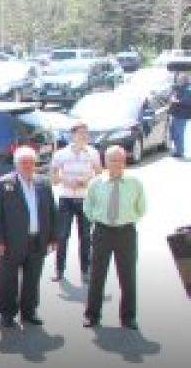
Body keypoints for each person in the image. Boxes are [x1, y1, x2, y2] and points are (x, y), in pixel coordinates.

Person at [0, 146, 58, 327]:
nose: (27, 166)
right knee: (7, 279)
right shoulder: (3, 184)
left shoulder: (43, 183)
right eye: (23, 162)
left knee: (32, 279)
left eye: (31, 162)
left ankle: (29, 312)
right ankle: (7, 313)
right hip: (11, 242)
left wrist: (53, 238)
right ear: (16, 164)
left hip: (37, 240)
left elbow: (52, 211)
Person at [83, 145, 147, 329]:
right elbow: (88, 207)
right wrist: (98, 221)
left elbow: (141, 208)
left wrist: (127, 220)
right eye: (112, 160)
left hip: (126, 232)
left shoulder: (135, 183)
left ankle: (128, 317)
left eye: (120, 160)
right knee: (97, 275)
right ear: (105, 162)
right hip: (102, 232)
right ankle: (92, 315)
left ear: (124, 162)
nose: (117, 164)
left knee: (128, 277)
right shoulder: (96, 183)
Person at [50, 120, 102, 284]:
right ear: (72, 135)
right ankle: (59, 270)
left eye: (86, 133)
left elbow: (100, 175)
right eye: (81, 133)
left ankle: (86, 271)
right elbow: (52, 178)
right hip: (66, 198)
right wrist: (66, 181)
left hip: (85, 198)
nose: (84, 136)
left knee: (86, 236)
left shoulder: (93, 152)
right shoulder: (61, 154)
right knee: (62, 235)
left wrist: (88, 182)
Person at [170, 70, 191, 158]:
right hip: (176, 113)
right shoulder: (180, 87)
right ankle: (177, 149)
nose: (179, 80)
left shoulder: (189, 88)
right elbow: (174, 91)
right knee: (173, 132)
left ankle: (179, 151)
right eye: (179, 79)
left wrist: (176, 101)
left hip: (182, 114)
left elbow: (188, 101)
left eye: (180, 79)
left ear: (185, 80)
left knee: (179, 133)